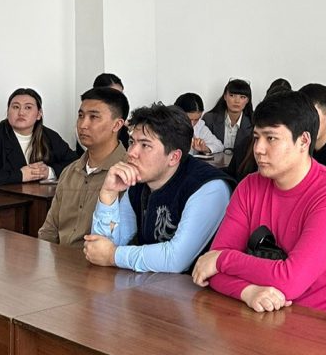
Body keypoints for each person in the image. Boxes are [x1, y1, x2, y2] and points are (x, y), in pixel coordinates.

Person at [193, 90, 326, 320]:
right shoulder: (249, 186)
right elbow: (209, 272)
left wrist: (222, 260)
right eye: (256, 137)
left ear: (304, 141)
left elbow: (290, 281)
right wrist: (248, 291)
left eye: (271, 138)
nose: (258, 149)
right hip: (263, 321)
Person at [84, 103, 231, 272]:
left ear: (174, 157)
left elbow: (176, 259)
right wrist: (108, 194)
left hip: (202, 287)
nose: (131, 152)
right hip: (152, 284)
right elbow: (100, 248)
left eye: (145, 145)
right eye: (132, 142)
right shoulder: (140, 180)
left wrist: (113, 256)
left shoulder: (208, 187)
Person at [38, 86, 130, 248]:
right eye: (81, 116)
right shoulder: (69, 172)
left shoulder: (128, 173)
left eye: (94, 117)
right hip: (59, 260)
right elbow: (49, 231)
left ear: (117, 125)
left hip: (101, 261)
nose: (83, 125)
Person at [0, 88, 75, 190]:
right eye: (16, 107)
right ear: (8, 112)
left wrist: (50, 172)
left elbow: (76, 162)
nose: (21, 113)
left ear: (39, 114)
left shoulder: (49, 136)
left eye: (28, 107)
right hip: (7, 201)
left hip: (43, 198)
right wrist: (20, 175)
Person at [203, 78, 253, 159]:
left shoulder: (253, 122)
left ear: (248, 100)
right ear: (225, 96)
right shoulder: (209, 119)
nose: (237, 101)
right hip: (213, 165)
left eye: (242, 97)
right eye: (232, 95)